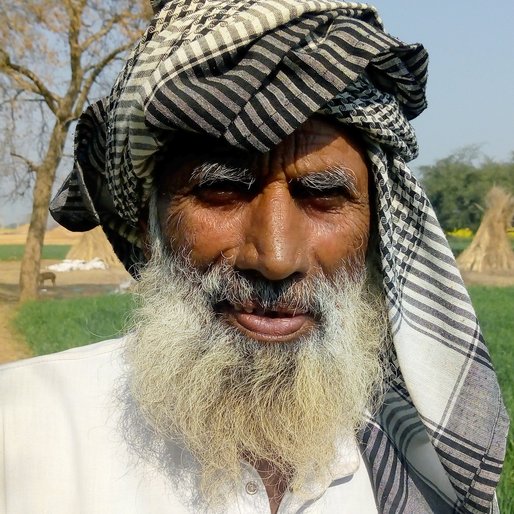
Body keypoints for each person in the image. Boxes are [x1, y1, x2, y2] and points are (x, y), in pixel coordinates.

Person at [0, 1, 508, 513]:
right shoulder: (24, 431)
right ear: (146, 227)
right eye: (222, 190)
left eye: (322, 196)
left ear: (374, 232)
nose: (275, 257)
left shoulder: (412, 463)